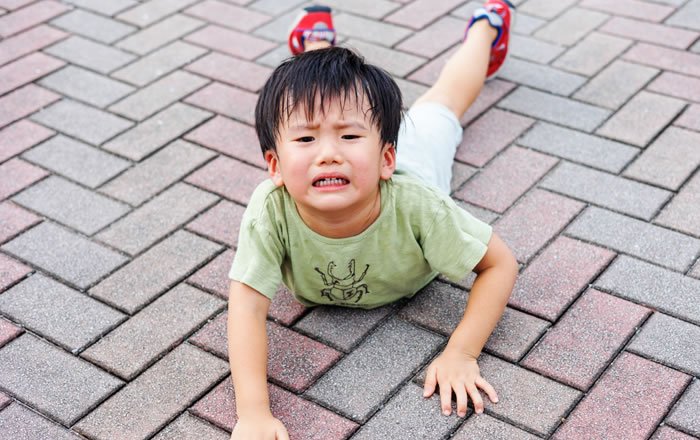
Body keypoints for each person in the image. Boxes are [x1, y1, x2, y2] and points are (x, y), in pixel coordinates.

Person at [228, 1, 518, 438]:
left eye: (349, 136)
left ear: (385, 158)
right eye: (305, 138)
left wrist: (461, 352)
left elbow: (499, 264)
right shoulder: (270, 210)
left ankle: (488, 23)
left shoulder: (416, 202)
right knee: (322, 93)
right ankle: (316, 39)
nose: (329, 152)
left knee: (442, 104)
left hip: (418, 165)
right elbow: (246, 306)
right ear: (274, 166)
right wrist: (252, 412)